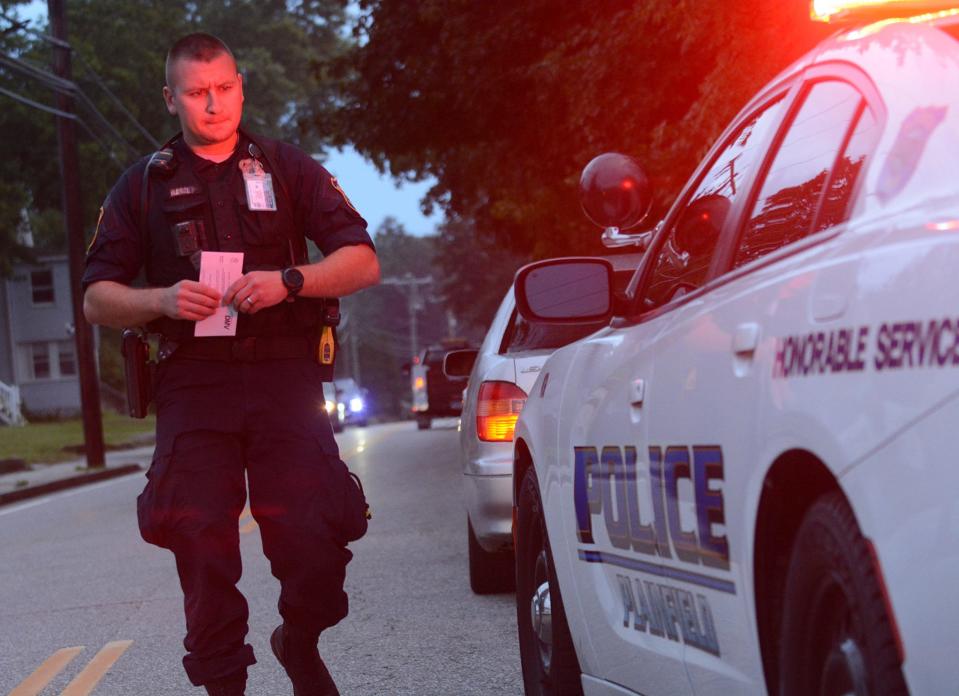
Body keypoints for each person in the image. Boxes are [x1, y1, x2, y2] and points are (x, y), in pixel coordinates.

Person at [82, 33, 379, 696]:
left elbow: (362, 260)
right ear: (171, 98)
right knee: (199, 538)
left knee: (312, 538)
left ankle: (298, 638)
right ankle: (224, 686)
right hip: (194, 381)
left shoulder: (286, 168)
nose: (212, 104)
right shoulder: (142, 186)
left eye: (222, 88)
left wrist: (290, 281)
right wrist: (159, 298)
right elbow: (98, 297)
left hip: (283, 375)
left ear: (241, 87)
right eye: (195, 91)